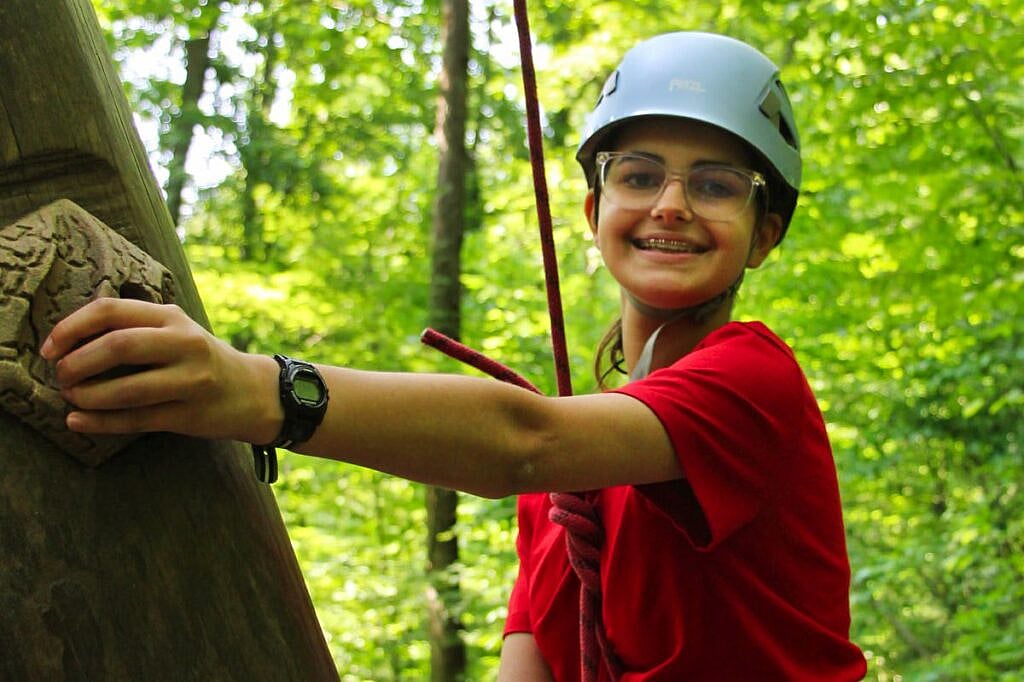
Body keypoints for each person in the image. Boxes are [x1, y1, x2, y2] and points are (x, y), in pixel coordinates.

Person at [41, 31, 866, 681]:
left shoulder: (749, 381)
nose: (673, 205)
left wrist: (257, 387)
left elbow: (520, 440)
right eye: (639, 175)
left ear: (766, 234)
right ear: (594, 208)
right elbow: (530, 656)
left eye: (717, 185)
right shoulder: (565, 484)